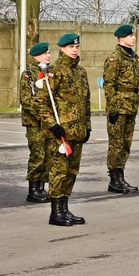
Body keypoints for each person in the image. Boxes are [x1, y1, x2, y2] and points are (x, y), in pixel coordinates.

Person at [39, 33, 92, 225]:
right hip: (61, 132)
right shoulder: (54, 72)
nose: (75, 49)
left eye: (77, 46)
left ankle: (65, 208)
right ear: (61, 48)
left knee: (72, 172)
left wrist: (88, 126)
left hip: (77, 131)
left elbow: (86, 101)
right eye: (71, 47)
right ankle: (56, 212)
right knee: (59, 172)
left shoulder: (81, 72)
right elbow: (43, 102)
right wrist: (52, 125)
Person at [104, 25, 139, 193]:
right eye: (130, 36)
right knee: (116, 144)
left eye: (133, 35)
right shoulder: (115, 58)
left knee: (126, 144)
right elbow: (109, 85)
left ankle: (121, 176)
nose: (133, 38)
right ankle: (114, 179)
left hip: (130, 106)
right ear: (121, 38)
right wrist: (112, 108)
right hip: (119, 107)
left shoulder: (133, 57)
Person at [20, 42, 52, 203]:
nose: (48, 56)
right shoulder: (28, 74)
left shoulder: (49, 72)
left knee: (48, 155)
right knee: (38, 155)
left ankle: (41, 187)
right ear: (36, 56)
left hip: (48, 122)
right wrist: (43, 116)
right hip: (35, 122)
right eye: (45, 53)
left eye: (49, 53)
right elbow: (26, 100)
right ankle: (33, 189)